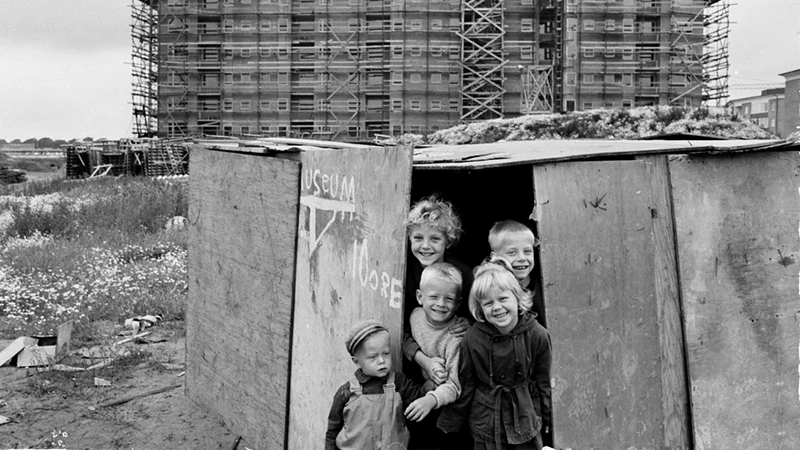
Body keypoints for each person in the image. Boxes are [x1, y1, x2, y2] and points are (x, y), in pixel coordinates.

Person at [438, 260, 552, 450]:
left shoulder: (537, 335)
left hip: (524, 415)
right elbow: (466, 382)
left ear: (517, 297)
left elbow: (544, 381)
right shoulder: (473, 338)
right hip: (487, 418)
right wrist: (452, 422)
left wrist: (549, 418)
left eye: (503, 299)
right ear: (480, 308)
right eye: (488, 303)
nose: (497, 307)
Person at [326, 319, 435, 450]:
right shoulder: (347, 392)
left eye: (386, 353)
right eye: (373, 357)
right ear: (356, 362)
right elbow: (333, 428)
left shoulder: (398, 383)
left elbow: (417, 400)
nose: (382, 361)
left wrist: (430, 388)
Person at [403, 195, 473, 387]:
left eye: (435, 239)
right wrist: (425, 361)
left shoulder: (463, 275)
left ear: (447, 242)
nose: (425, 246)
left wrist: (469, 323)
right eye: (418, 238)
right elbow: (399, 330)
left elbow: (477, 313)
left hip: (454, 359)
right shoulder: (403, 275)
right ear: (409, 239)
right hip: (416, 360)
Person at [407, 262, 471, 449]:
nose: (441, 304)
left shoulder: (455, 339)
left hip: (445, 406)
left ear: (458, 303)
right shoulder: (415, 315)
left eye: (449, 299)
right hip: (421, 392)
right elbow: (400, 338)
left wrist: (431, 399)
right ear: (420, 297)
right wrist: (424, 362)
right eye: (433, 297)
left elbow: (454, 385)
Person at [487, 220, 546, 328]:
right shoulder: (489, 287)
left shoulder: (543, 283)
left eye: (527, 251)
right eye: (512, 252)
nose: (522, 258)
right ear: (494, 257)